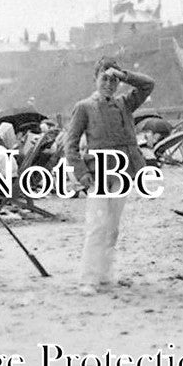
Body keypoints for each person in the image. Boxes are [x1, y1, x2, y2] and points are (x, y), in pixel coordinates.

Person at [64, 57, 155, 294]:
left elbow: (148, 84)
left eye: (114, 80)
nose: (109, 84)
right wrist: (82, 174)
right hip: (98, 174)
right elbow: (70, 145)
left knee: (112, 228)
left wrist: (124, 74)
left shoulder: (125, 103)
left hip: (123, 173)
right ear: (95, 79)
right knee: (96, 226)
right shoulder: (84, 107)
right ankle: (88, 278)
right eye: (104, 78)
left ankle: (104, 274)